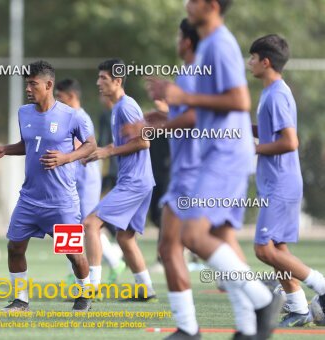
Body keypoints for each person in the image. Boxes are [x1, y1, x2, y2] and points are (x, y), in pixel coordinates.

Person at [147, 1, 283, 339]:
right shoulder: (210, 46)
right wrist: (165, 118)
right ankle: (249, 329)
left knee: (191, 238)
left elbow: (239, 101)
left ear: (209, 5)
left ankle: (262, 298)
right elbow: (201, 111)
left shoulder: (219, 43)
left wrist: (178, 97)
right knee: (218, 238)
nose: (186, 4)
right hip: (216, 154)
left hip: (222, 153)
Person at [0, 60, 97, 312]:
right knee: (15, 247)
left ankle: (85, 294)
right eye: (27, 83)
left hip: (61, 201)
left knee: (73, 254)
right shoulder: (24, 113)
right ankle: (20, 300)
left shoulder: (72, 116)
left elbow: (91, 145)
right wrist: (5, 149)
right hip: (29, 199)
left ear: (48, 85)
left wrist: (66, 157)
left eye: (32, 84)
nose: (28, 88)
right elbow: (30, 145)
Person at [124, 17, 201, 337]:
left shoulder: (199, 72)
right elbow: (191, 116)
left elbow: (198, 118)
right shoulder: (190, 74)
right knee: (179, 245)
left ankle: (258, 299)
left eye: (178, 34)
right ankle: (188, 327)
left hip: (196, 169)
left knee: (180, 245)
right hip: (190, 169)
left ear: (186, 40)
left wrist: (158, 125)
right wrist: (163, 117)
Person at [248, 34, 325, 327]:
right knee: (277, 249)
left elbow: (290, 141)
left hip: (281, 182)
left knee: (263, 248)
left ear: (265, 62)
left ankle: (321, 286)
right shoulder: (269, 92)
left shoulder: (278, 93)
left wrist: (251, 148)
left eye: (252, 58)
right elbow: (269, 131)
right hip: (274, 181)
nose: (249, 63)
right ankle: (299, 309)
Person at [83, 58, 156, 301]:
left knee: (91, 224)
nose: (98, 83)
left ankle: (91, 288)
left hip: (134, 182)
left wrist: (108, 152)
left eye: (103, 78)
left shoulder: (126, 107)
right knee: (125, 238)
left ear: (117, 81)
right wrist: (102, 151)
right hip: (140, 181)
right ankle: (146, 290)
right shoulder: (118, 108)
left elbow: (144, 141)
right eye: (98, 78)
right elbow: (126, 143)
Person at [55, 78, 126, 285]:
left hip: (85, 178)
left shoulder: (79, 117)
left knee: (87, 226)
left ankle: (113, 260)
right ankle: (74, 271)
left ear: (71, 96)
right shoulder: (66, 116)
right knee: (68, 224)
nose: (57, 101)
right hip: (70, 177)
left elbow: (81, 148)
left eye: (60, 97)